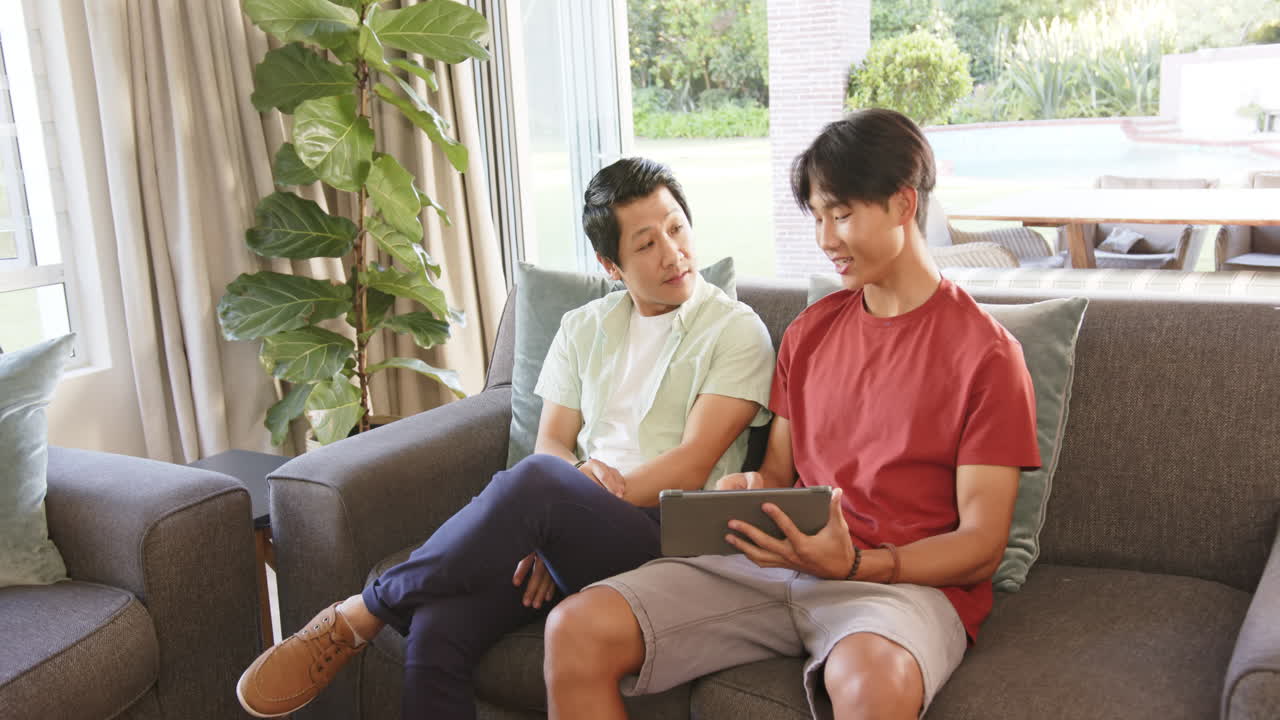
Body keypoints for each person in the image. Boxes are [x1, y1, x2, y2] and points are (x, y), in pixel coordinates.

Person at [542, 109, 1042, 720]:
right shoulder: (810, 334)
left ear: (904, 204)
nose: (826, 238)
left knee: (872, 680)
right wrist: (748, 487)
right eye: (818, 218)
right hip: (777, 565)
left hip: (902, 587)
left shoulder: (988, 356)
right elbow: (778, 473)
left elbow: (982, 545)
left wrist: (859, 564)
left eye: (843, 214)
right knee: (576, 628)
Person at [235, 157, 775, 719]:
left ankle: (362, 612)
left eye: (676, 227)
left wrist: (563, 505)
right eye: (645, 244)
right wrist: (555, 522)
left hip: (665, 537)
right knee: (435, 627)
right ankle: (390, 607)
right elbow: (554, 443)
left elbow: (691, 466)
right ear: (611, 264)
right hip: (569, 521)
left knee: (542, 483)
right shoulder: (583, 327)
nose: (672, 252)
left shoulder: (735, 329)